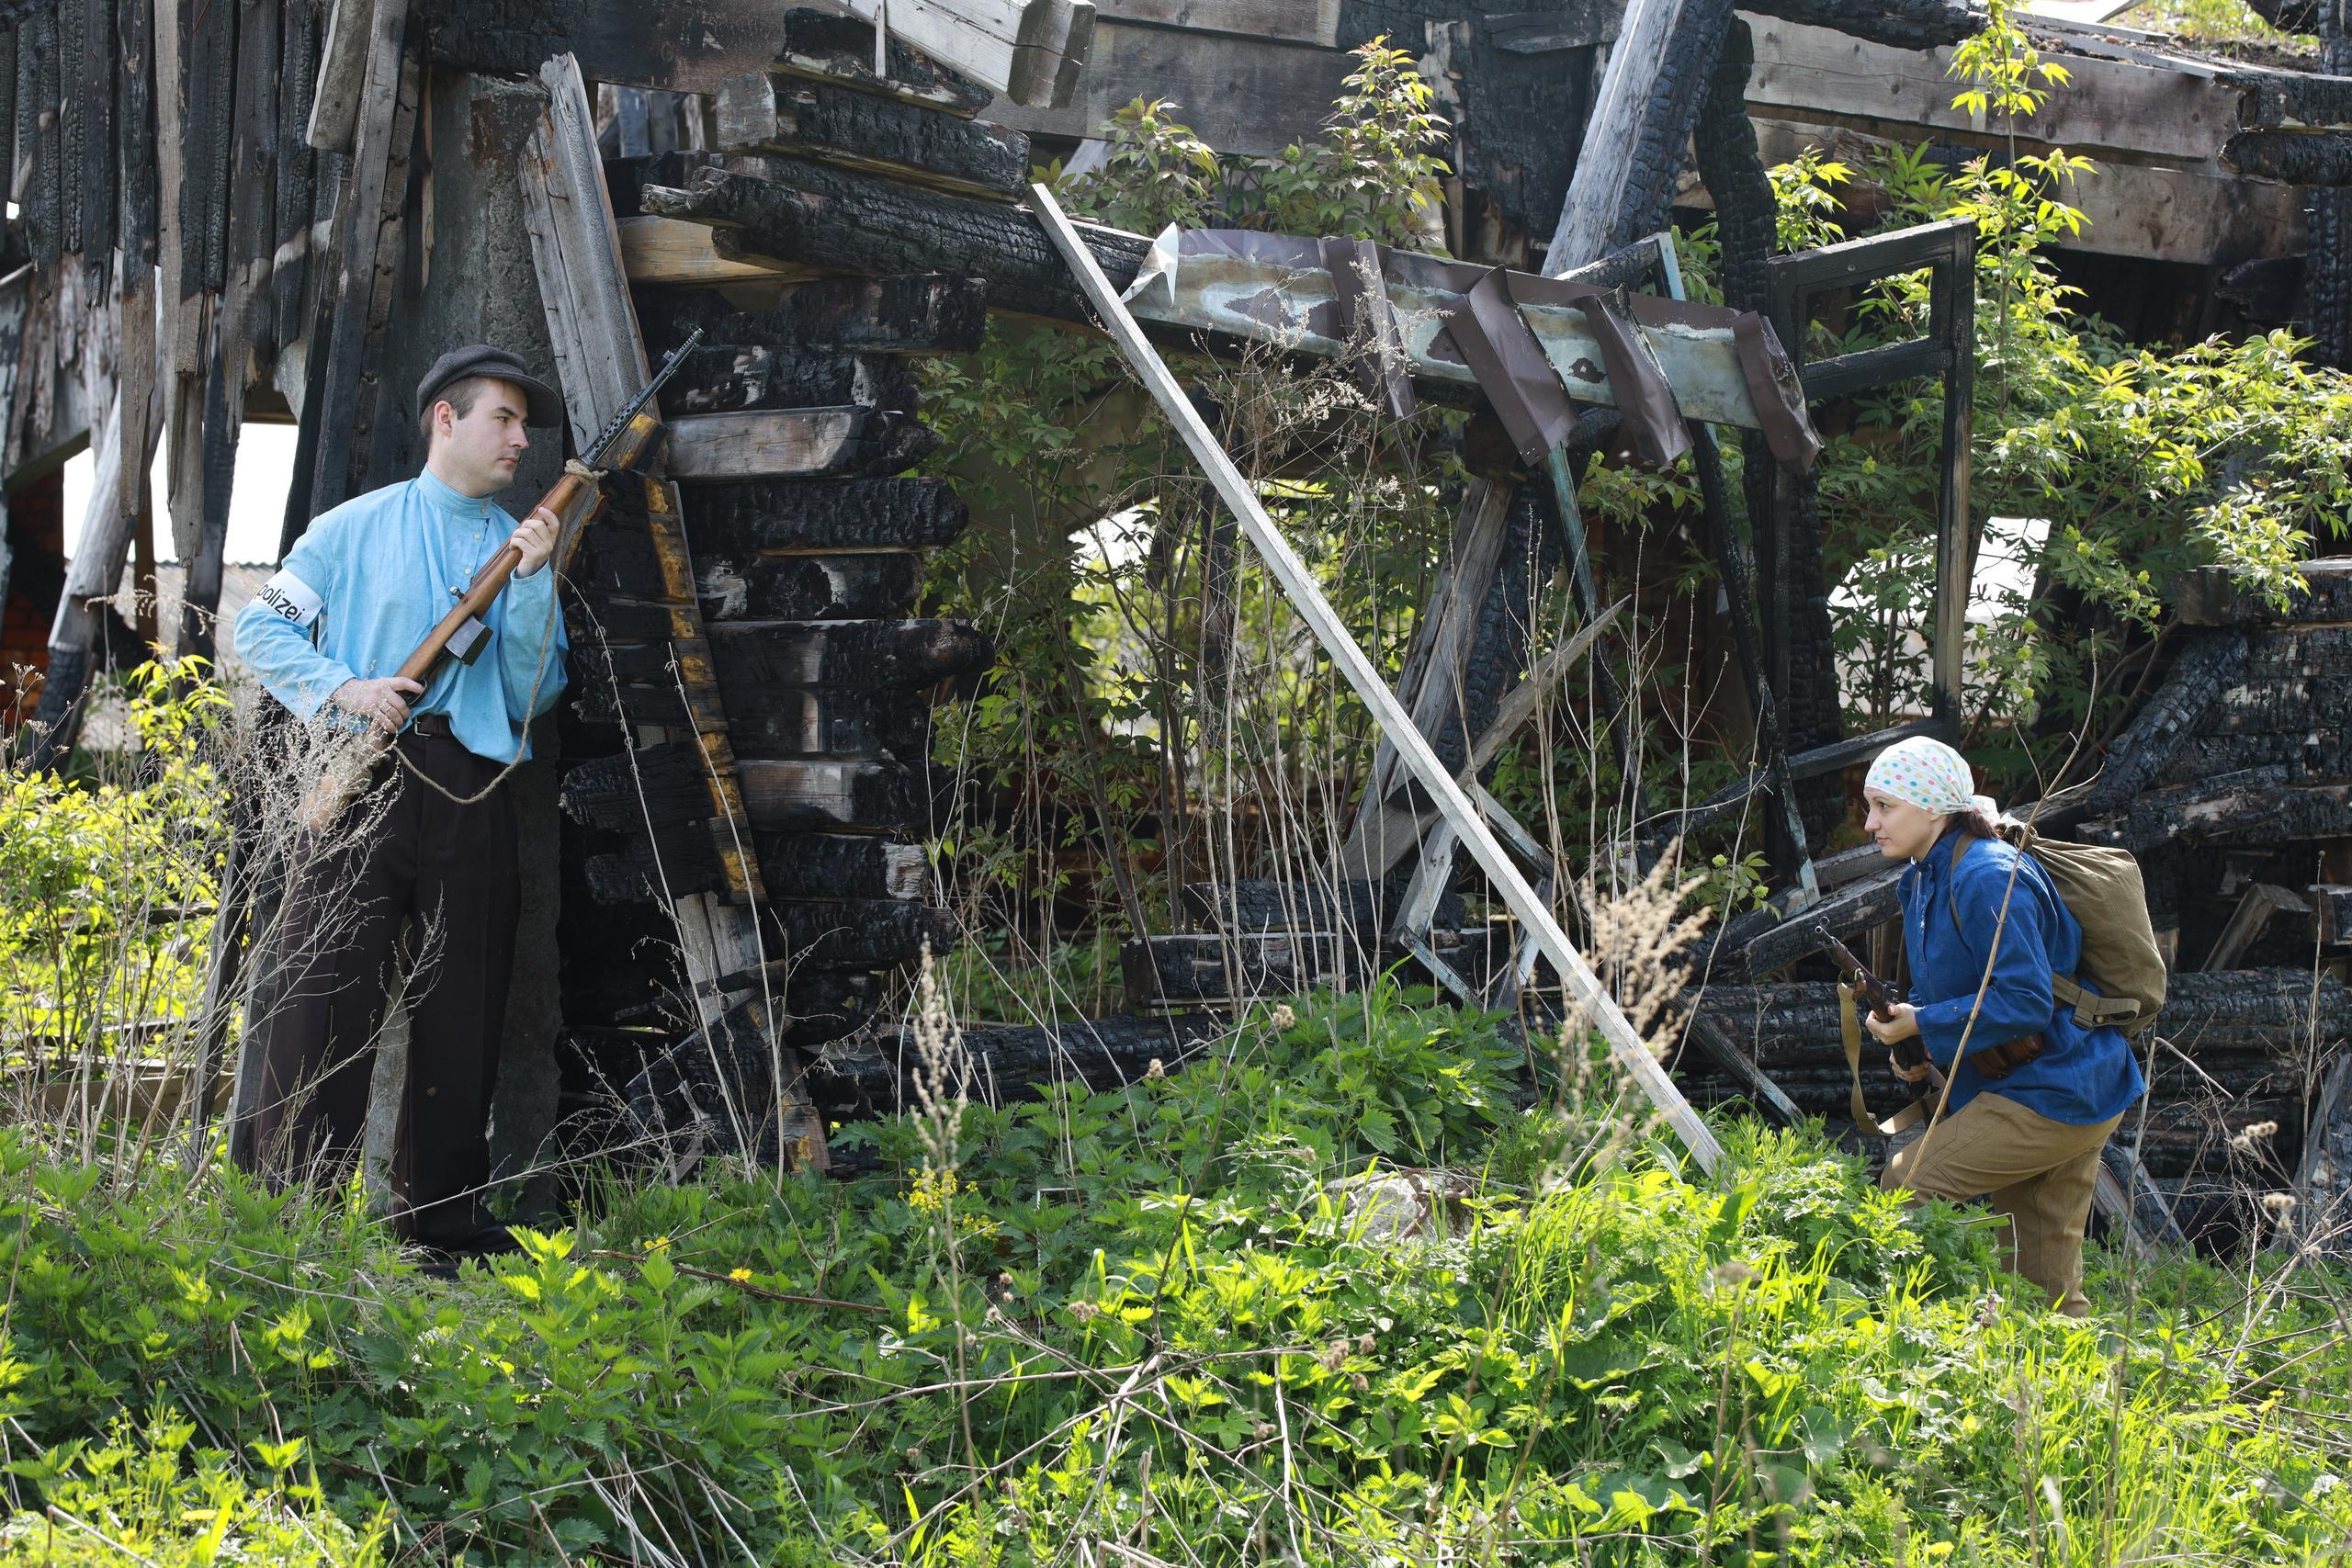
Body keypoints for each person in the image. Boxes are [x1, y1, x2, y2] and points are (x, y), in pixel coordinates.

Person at [230, 345, 570, 1258]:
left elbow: (536, 690)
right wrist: (343, 687)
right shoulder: (347, 529)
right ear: (444, 420)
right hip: (357, 781)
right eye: (504, 417)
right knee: (320, 1003)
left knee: (465, 1006)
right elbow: (259, 627)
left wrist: (533, 583)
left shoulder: (520, 546)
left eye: (524, 423)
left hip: (470, 786)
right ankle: (287, 1222)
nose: (520, 438)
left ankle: (442, 1226)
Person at [1860, 735, 2145, 1316]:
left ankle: (1900, 1330)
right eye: (1870, 806)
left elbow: (2023, 1001)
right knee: (2041, 1288)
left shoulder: (1988, 875)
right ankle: (2065, 1399)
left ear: (1934, 807)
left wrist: (1928, 1021)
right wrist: (1914, 1038)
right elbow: (1955, 988)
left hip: (2060, 1085)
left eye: (1884, 806)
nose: (1870, 823)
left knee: (1906, 1184)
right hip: (2038, 1083)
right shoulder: (1921, 879)